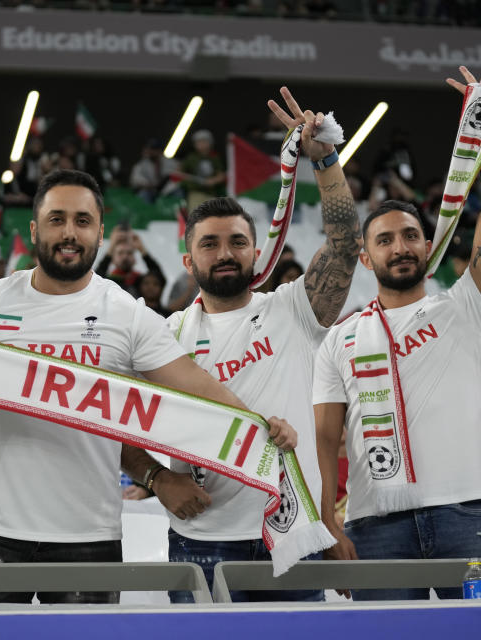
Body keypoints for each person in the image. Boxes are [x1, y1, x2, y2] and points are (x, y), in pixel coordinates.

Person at [0, 169, 297, 605]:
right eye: (57, 219)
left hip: (91, 538)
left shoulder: (127, 313)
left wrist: (259, 426)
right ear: (34, 228)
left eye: (83, 221)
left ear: (100, 232)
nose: (69, 233)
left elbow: (194, 384)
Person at [126, 87, 361, 602]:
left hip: (292, 535)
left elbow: (345, 247)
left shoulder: (292, 308)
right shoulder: (164, 336)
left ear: (257, 252)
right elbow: (107, 414)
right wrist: (157, 479)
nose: (225, 253)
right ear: (188, 262)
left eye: (237, 242)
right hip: (199, 543)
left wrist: (326, 161)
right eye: (208, 244)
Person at [313, 69, 481, 600]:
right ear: (365, 255)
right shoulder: (340, 338)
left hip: (466, 516)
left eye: (411, 236)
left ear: (428, 248)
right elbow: (324, 437)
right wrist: (326, 520)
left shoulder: (465, 309)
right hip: (374, 528)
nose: (400, 246)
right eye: (385, 240)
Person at [95, 225, 164, 297]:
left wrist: (142, 250)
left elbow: (159, 278)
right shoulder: (107, 281)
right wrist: (111, 247)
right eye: (120, 253)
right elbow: (95, 281)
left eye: (129, 253)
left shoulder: (140, 281)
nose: (125, 257)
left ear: (135, 259)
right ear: (113, 259)